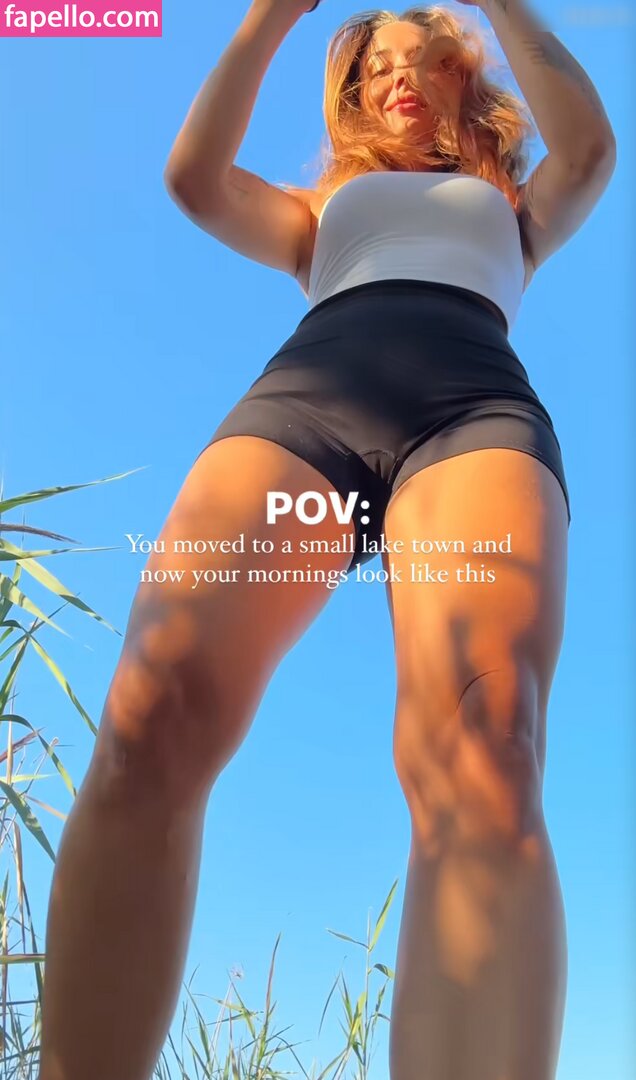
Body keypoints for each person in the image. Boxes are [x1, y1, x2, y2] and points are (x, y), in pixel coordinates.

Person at [37, 2, 616, 1079]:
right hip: (311, 402)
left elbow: (588, 149)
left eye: (426, 61)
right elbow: (194, 180)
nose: (397, 79)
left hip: (474, 416)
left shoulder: (513, 205)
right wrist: (273, 15)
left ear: (464, 80)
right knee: (152, 715)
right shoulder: (319, 210)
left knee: (488, 750)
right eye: (373, 70)